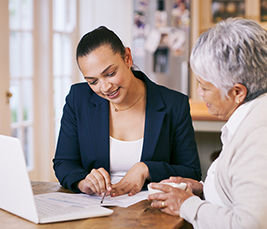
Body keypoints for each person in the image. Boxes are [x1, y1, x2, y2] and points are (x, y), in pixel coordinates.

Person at [53, 26, 201, 198]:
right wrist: (83, 182)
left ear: (128, 58)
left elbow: (192, 173)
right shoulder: (78, 99)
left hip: (151, 211)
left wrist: (146, 169)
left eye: (110, 73)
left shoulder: (174, 104)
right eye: (93, 82)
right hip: (96, 209)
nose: (105, 88)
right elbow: (64, 162)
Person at [148, 18, 267, 228]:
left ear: (237, 92)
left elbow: (249, 224)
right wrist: (204, 188)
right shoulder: (253, 114)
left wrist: (187, 205)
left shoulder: (259, 135)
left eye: (205, 86)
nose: (198, 93)